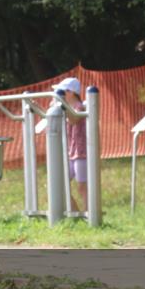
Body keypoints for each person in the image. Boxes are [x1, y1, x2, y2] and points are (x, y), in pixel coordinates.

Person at [54, 77, 88, 212]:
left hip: (82, 152)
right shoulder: (67, 108)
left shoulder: (80, 106)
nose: (59, 95)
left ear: (71, 92)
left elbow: (73, 119)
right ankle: (76, 213)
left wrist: (63, 105)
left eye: (62, 92)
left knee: (82, 186)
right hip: (72, 152)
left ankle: (90, 214)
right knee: (60, 183)